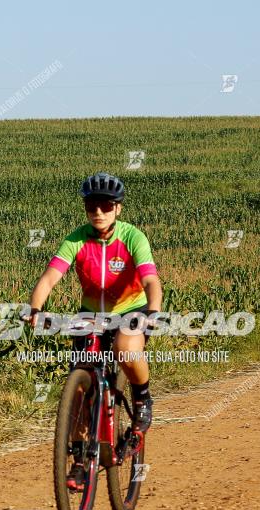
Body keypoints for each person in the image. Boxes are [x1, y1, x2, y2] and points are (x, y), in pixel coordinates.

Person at [25, 172, 163, 490]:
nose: (98, 212)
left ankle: (142, 401)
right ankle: (78, 461)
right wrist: (35, 309)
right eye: (91, 206)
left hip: (131, 310)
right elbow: (49, 278)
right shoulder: (77, 239)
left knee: (126, 349)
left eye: (104, 205)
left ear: (118, 209)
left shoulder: (133, 238)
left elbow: (151, 279)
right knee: (77, 389)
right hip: (91, 315)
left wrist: (152, 311)